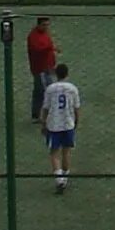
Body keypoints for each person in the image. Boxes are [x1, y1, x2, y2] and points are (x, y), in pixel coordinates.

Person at [41, 63, 81, 193]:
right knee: (66, 151)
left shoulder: (50, 89)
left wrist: (43, 123)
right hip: (68, 123)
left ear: (55, 74)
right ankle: (64, 178)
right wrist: (76, 121)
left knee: (54, 152)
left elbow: (46, 108)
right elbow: (76, 108)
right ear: (67, 74)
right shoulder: (73, 89)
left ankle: (59, 180)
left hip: (54, 124)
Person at [26, 16, 59, 122]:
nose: (46, 27)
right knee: (47, 91)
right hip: (39, 68)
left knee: (39, 91)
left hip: (48, 67)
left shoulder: (45, 34)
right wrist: (50, 48)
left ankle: (36, 115)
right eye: (44, 25)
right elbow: (37, 50)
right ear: (38, 25)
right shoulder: (33, 36)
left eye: (47, 25)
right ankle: (48, 115)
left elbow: (48, 46)